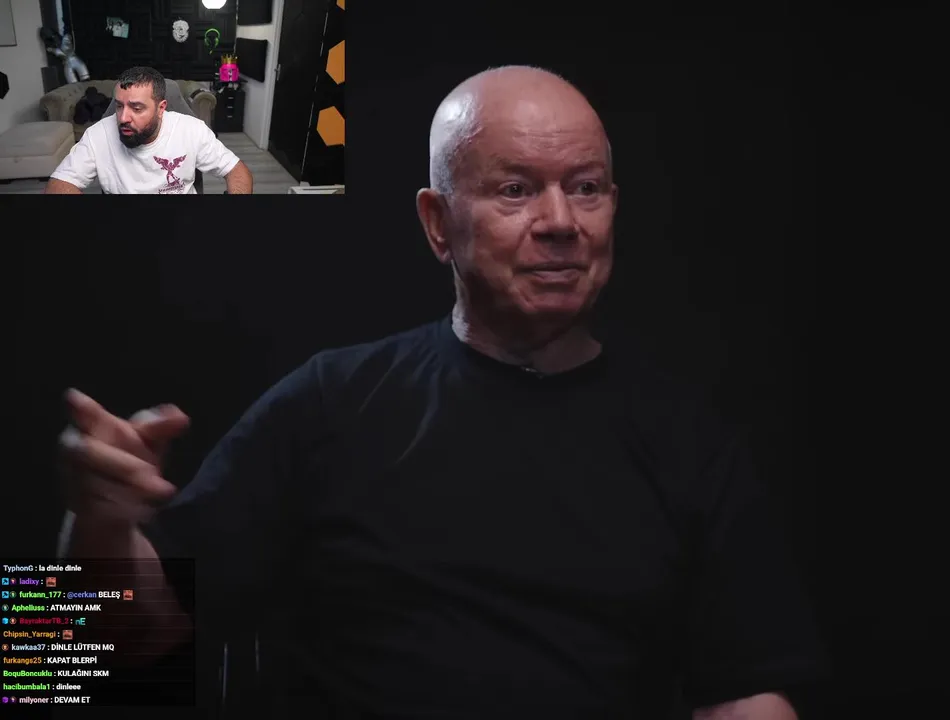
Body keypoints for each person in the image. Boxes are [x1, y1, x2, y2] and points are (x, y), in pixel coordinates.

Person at [57, 66, 825, 718]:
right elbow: (72, 656)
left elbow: (751, 693)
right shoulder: (332, 402)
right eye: (516, 190)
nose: (561, 221)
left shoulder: (688, 441)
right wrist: (95, 524)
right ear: (437, 223)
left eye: (586, 188)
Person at [45, 66, 252, 194]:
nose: (123, 118)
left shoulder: (192, 130)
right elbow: (58, 184)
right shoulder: (97, 135)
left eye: (136, 108)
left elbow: (237, 171)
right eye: (119, 106)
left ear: (161, 109)